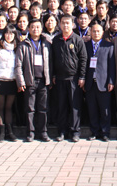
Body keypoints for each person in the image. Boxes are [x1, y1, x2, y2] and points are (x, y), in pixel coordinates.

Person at [51, 14, 87, 142]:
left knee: (75, 107)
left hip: (74, 79)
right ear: (60, 25)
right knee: (62, 106)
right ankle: (62, 131)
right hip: (60, 78)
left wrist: (82, 76)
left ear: (73, 25)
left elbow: (83, 59)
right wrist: (53, 75)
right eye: (63, 23)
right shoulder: (56, 40)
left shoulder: (77, 40)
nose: (65, 25)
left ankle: (75, 131)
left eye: (68, 23)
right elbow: (52, 59)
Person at [16, 19, 53, 142]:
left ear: (41, 29)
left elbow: (51, 62)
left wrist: (50, 79)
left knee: (43, 108)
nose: (35, 29)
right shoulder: (23, 44)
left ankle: (43, 132)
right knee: (30, 109)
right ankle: (30, 132)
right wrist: (21, 81)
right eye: (32, 27)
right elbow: (18, 64)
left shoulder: (47, 44)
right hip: (29, 81)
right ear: (29, 29)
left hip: (43, 81)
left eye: (38, 27)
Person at [83, 23, 116, 142]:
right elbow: (83, 64)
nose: (96, 33)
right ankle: (94, 132)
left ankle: (105, 133)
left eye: (98, 31)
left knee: (105, 110)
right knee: (92, 109)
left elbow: (112, 65)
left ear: (102, 32)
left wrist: (111, 81)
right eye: (94, 31)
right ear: (90, 32)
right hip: (90, 82)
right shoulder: (85, 45)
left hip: (104, 82)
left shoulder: (109, 46)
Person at [0, 25, 19, 143]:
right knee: (0, 107)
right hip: (0, 81)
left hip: (12, 81)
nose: (9, 36)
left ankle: (10, 132)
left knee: (9, 107)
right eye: (7, 33)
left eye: (11, 33)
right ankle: (1, 133)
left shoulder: (17, 48)